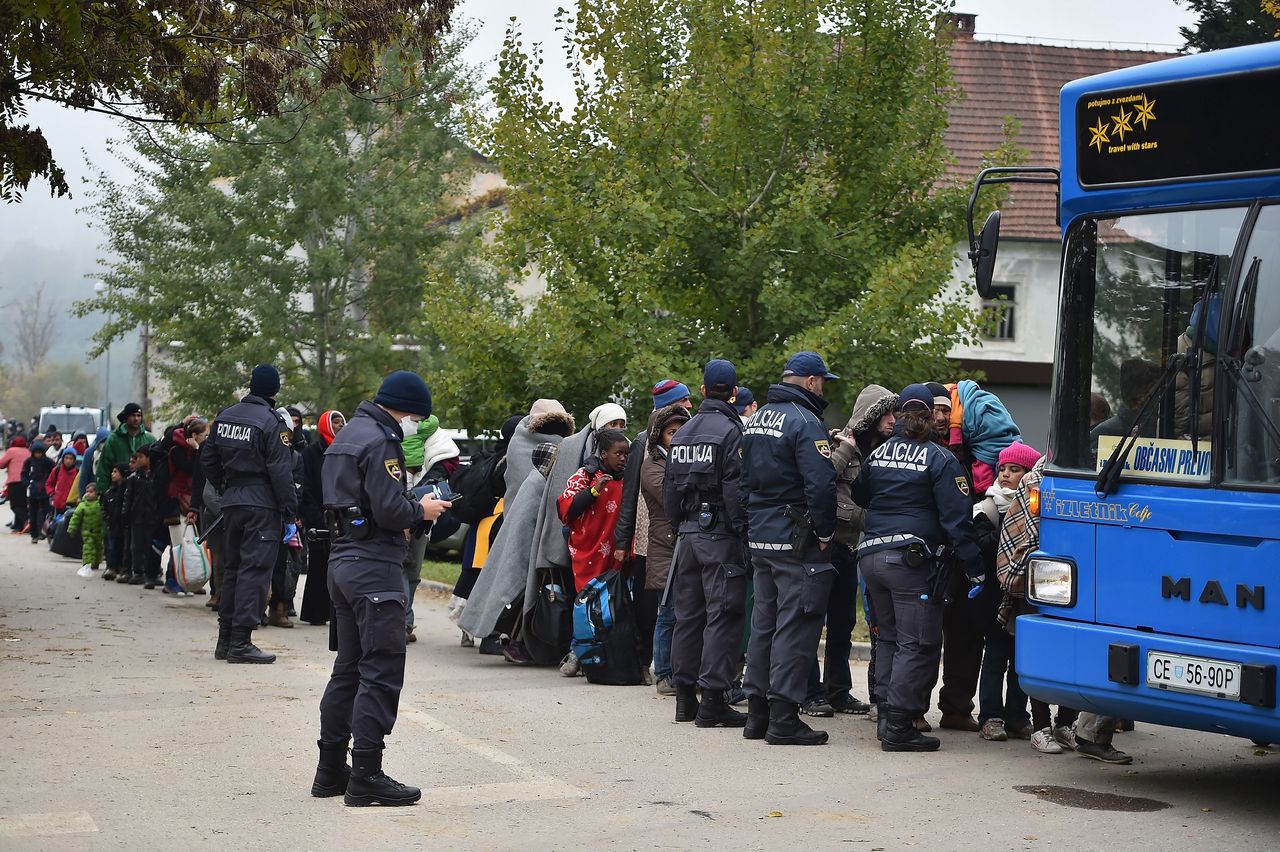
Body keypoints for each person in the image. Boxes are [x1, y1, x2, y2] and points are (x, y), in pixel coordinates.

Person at [314, 370, 451, 807]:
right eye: (418, 417)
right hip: (374, 566)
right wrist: (423, 508)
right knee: (381, 668)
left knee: (349, 668)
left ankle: (331, 769)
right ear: (408, 411)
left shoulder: (348, 435)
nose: (416, 425)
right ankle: (367, 773)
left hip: (342, 561)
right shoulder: (382, 440)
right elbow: (391, 510)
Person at [853, 384, 982, 752]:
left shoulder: (878, 455)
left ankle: (885, 718)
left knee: (890, 639)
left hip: (871, 558)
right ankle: (899, 726)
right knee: (919, 642)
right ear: (927, 415)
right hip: (910, 561)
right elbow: (958, 520)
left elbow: (861, 494)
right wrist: (976, 569)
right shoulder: (939, 458)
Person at [740, 352, 841, 746]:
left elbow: (742, 479)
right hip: (795, 537)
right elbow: (821, 485)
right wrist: (825, 532)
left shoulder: (758, 417)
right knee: (795, 625)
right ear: (812, 381)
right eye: (823, 382)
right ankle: (783, 717)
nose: (823, 389)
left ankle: (757, 715)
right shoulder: (805, 422)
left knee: (763, 623)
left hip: (761, 535)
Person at [662, 360, 749, 728]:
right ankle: (713, 699)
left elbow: (669, 491)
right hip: (720, 534)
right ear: (733, 392)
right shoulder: (731, 432)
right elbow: (735, 491)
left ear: (701, 391)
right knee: (723, 615)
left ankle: (685, 699)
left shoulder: (682, 433)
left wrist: (680, 525)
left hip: (687, 535)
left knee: (689, 616)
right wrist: (743, 533)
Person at [993, 456, 1089, 757]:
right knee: (1038, 654)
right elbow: (1021, 534)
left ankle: (1065, 724)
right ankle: (1041, 727)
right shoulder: (1034, 480)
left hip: (1077, 579)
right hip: (1038, 579)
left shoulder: (1089, 473)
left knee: (1071, 652)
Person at [201, 364, 297, 664]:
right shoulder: (271, 423)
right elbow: (280, 472)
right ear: (275, 390)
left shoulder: (226, 416)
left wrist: (227, 487)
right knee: (254, 573)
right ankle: (241, 642)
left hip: (233, 502)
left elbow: (208, 458)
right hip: (262, 505)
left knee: (233, 570)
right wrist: (290, 511)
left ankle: (225, 640)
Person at [818, 384, 898, 717]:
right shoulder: (842, 446)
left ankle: (837, 691)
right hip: (828, 546)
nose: (893, 420)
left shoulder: (885, 450)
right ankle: (811, 693)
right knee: (813, 624)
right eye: (887, 414)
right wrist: (866, 517)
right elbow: (823, 487)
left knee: (843, 623)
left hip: (854, 548)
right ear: (872, 416)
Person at [974, 442, 1040, 742]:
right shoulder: (987, 508)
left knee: (1021, 663)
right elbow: (982, 547)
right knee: (995, 659)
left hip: (1025, 599)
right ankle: (990, 716)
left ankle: (1017, 716)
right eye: (1002, 469)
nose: (1006, 475)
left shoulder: (1037, 508)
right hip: (994, 598)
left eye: (1015, 470)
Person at [639, 403, 691, 694]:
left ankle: (683, 671)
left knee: (687, 613)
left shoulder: (681, 460)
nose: (678, 437)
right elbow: (671, 497)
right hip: (665, 549)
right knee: (668, 612)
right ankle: (664, 674)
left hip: (685, 547)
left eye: (683, 431)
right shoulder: (653, 466)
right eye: (672, 433)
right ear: (659, 437)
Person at [558, 427, 630, 592]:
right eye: (618, 454)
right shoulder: (585, 475)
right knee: (587, 599)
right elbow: (566, 509)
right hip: (587, 550)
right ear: (604, 454)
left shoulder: (628, 479)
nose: (623, 459)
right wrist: (593, 491)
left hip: (616, 552)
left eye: (626, 455)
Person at [299, 410, 345, 626]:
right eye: (336, 422)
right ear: (326, 425)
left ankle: (336, 612)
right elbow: (306, 487)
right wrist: (314, 516)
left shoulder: (345, 451)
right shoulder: (310, 453)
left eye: (342, 422)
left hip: (341, 515)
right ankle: (315, 613)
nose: (340, 426)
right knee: (318, 564)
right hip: (318, 516)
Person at [95, 403, 156, 496]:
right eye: (133, 415)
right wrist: (102, 491)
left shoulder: (149, 439)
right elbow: (104, 466)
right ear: (126, 417)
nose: (136, 419)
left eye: (139, 416)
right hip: (118, 491)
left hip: (143, 492)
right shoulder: (114, 439)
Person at [123, 449, 160, 587]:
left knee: (152, 546)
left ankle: (153, 573)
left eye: (141, 457)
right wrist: (125, 514)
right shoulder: (133, 478)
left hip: (152, 517)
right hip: (137, 517)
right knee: (136, 546)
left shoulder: (156, 476)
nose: (138, 460)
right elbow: (128, 498)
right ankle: (137, 572)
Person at [69, 482, 105, 578]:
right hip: (87, 530)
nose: (88, 494)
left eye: (91, 492)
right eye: (87, 492)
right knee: (88, 547)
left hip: (98, 530)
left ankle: (96, 561)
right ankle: (88, 562)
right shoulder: (82, 506)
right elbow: (75, 517)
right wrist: (72, 528)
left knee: (98, 547)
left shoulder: (100, 504)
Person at [22, 440, 54, 543]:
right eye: (36, 453)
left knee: (46, 513)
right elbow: (24, 473)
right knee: (33, 514)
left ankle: (45, 532)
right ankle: (34, 534)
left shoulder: (48, 462)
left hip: (45, 491)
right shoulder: (29, 461)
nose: (38, 455)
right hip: (33, 492)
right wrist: (27, 483)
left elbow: (54, 473)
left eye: (40, 452)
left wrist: (50, 485)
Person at [102, 464, 129, 582]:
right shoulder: (109, 492)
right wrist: (107, 518)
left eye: (115, 472)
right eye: (112, 471)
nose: (112, 474)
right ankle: (111, 568)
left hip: (123, 526)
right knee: (111, 548)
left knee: (124, 548)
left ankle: (123, 568)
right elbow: (103, 508)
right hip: (112, 526)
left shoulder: (127, 491)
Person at [0, 435, 31, 533]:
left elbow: (1, 464)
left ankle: (27, 522)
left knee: (14, 505)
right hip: (26, 481)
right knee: (22, 504)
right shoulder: (28, 451)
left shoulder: (11, 450)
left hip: (14, 481)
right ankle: (19, 526)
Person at [47, 448, 80, 515]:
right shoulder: (57, 470)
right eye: (66, 458)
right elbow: (49, 484)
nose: (68, 461)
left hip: (72, 504)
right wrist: (52, 494)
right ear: (63, 459)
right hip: (58, 504)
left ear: (74, 460)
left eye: (71, 458)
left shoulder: (77, 472)